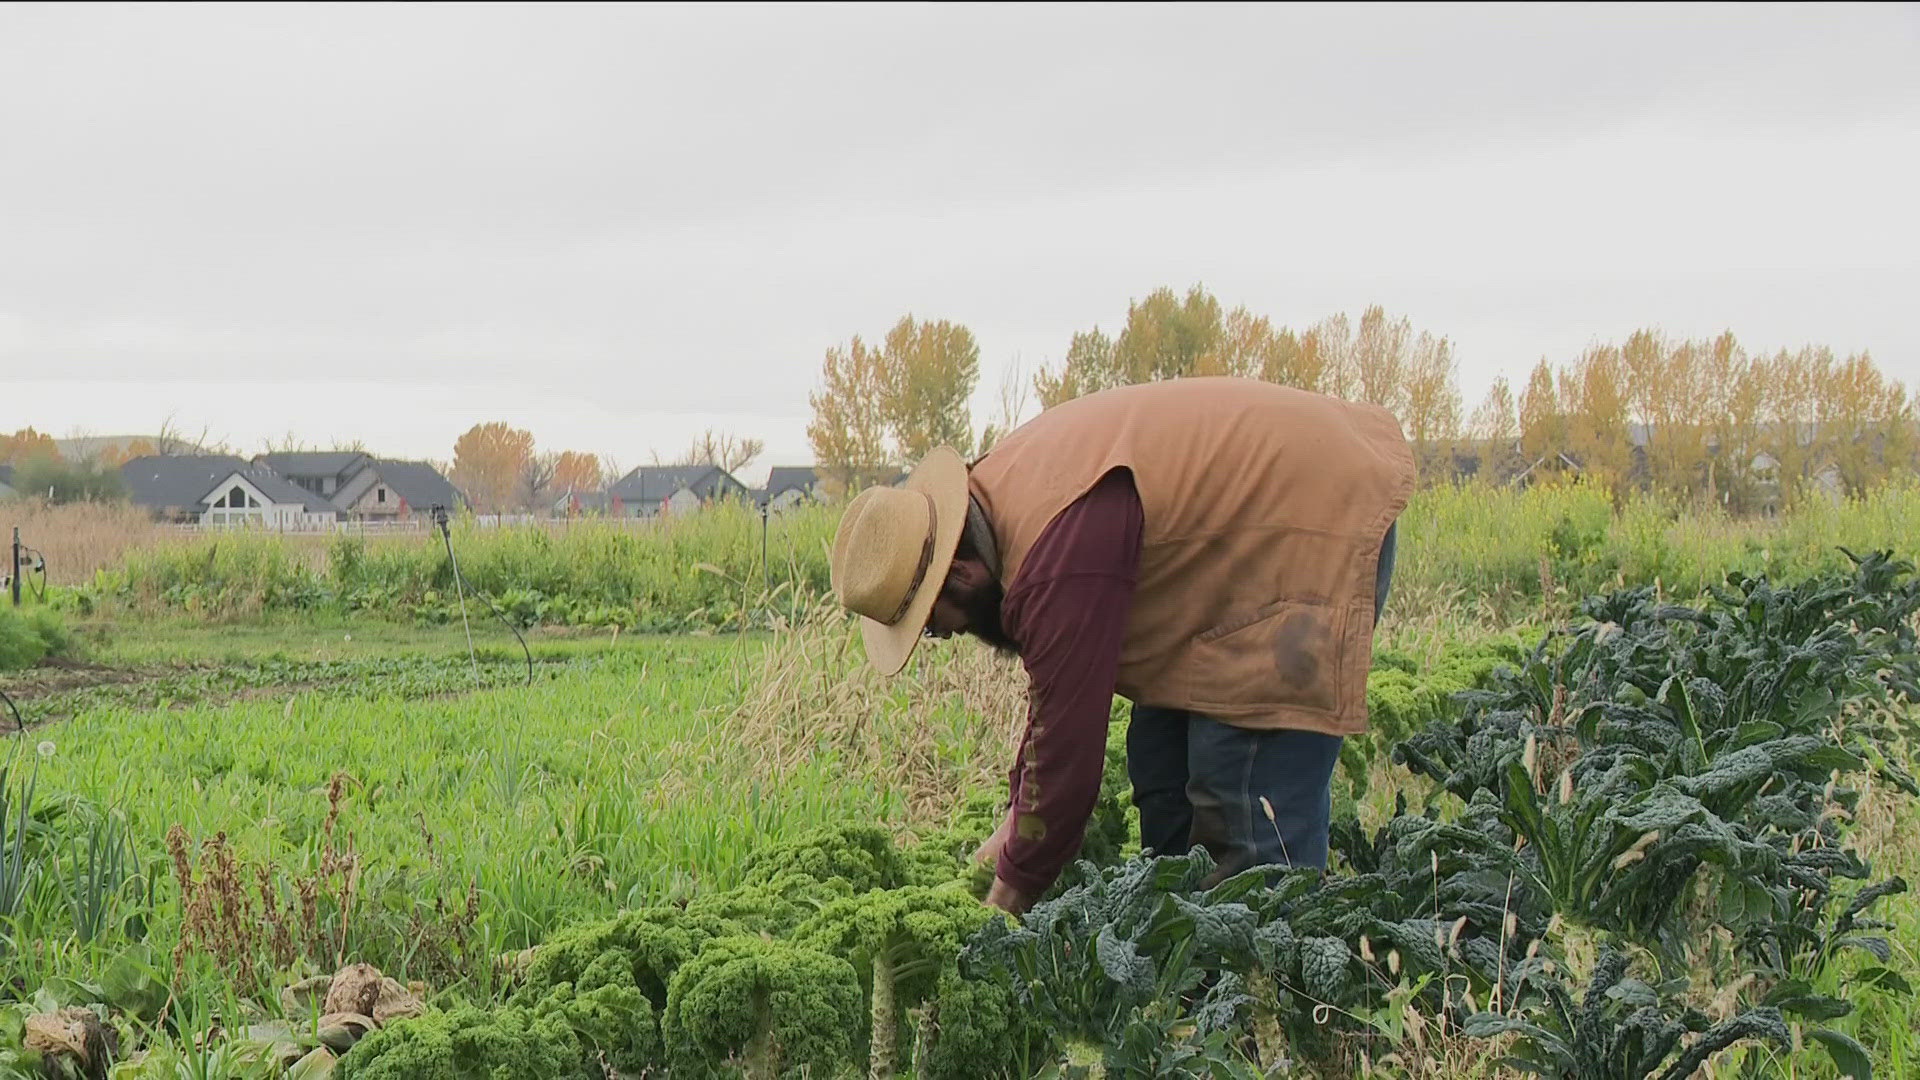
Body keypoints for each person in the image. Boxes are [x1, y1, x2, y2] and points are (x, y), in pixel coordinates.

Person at [827, 377, 1413, 915]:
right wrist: (1012, 824)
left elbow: (1068, 757)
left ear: (959, 575)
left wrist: (1004, 901)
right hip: (1222, 569)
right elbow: (1055, 697)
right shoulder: (1006, 506)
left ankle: (1268, 1008)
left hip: (1308, 522)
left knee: (1240, 800)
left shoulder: (1055, 555)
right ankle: (1185, 984)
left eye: (933, 623)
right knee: (1161, 772)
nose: (948, 636)